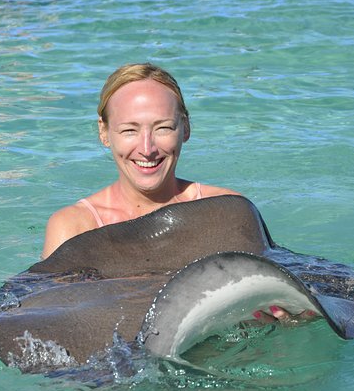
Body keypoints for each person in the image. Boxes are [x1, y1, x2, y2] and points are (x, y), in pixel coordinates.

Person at [41, 62, 300, 323]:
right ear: (104, 132)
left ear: (185, 128)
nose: (147, 148)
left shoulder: (225, 211)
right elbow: (48, 317)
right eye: (129, 130)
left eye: (163, 127)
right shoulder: (73, 227)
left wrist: (292, 311)